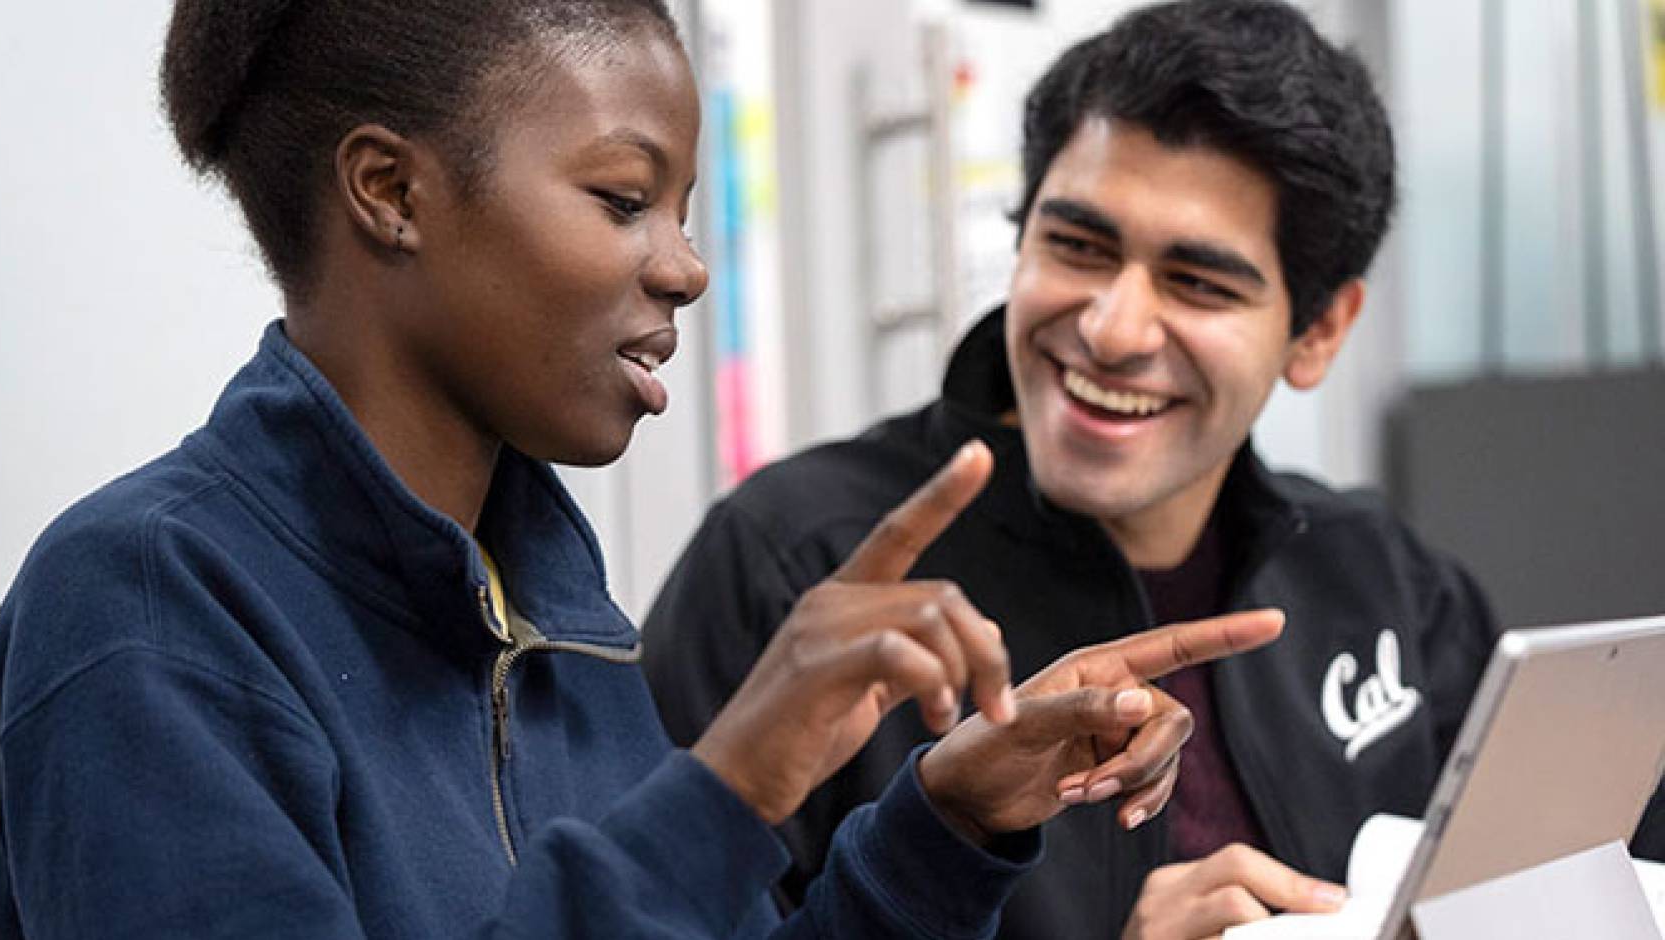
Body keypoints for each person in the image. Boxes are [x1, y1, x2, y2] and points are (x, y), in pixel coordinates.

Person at [0, 2, 1287, 938]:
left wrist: (944, 821)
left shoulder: (562, 610)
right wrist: (725, 789)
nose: (684, 266)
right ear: (390, 190)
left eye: (684, 209)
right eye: (622, 200)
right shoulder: (145, 615)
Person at [642, 1, 1502, 938]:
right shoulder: (795, 565)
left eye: (1199, 282)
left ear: (1318, 331)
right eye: (1078, 246)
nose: (1110, 329)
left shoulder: (1385, 581)